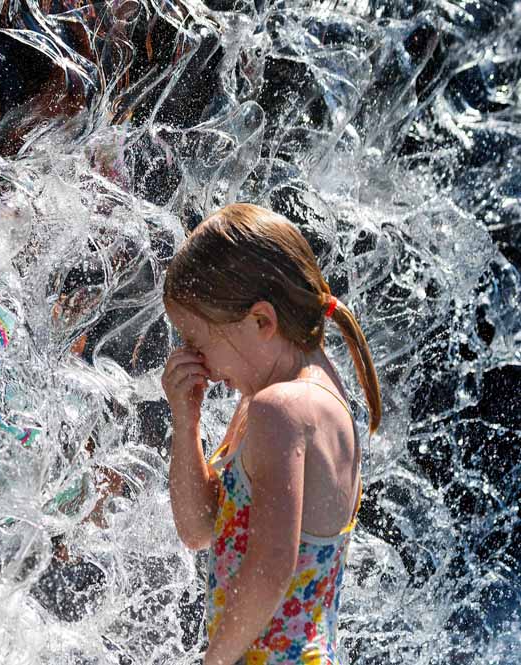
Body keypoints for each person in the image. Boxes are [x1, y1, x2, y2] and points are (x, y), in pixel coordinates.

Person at [160, 203, 382, 665]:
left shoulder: (282, 410)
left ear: (261, 321)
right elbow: (199, 530)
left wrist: (213, 663)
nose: (196, 361)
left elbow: (270, 566)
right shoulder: (282, 401)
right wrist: (186, 422)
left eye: (198, 342)